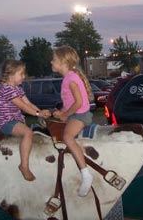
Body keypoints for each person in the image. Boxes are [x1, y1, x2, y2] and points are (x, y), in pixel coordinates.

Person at [0, 59, 51, 181]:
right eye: (21, 74)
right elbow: (23, 106)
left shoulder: (18, 89)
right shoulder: (7, 89)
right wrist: (38, 113)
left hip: (15, 121)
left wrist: (40, 113)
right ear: (10, 75)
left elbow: (28, 103)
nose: (23, 77)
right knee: (28, 133)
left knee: (34, 133)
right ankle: (24, 166)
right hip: (6, 122)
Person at [51, 45, 94, 197]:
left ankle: (86, 174)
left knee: (67, 137)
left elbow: (79, 102)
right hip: (73, 113)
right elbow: (69, 103)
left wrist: (65, 115)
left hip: (80, 115)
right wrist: (61, 111)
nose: (51, 62)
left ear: (64, 62)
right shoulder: (67, 78)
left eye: (54, 60)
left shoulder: (71, 79)